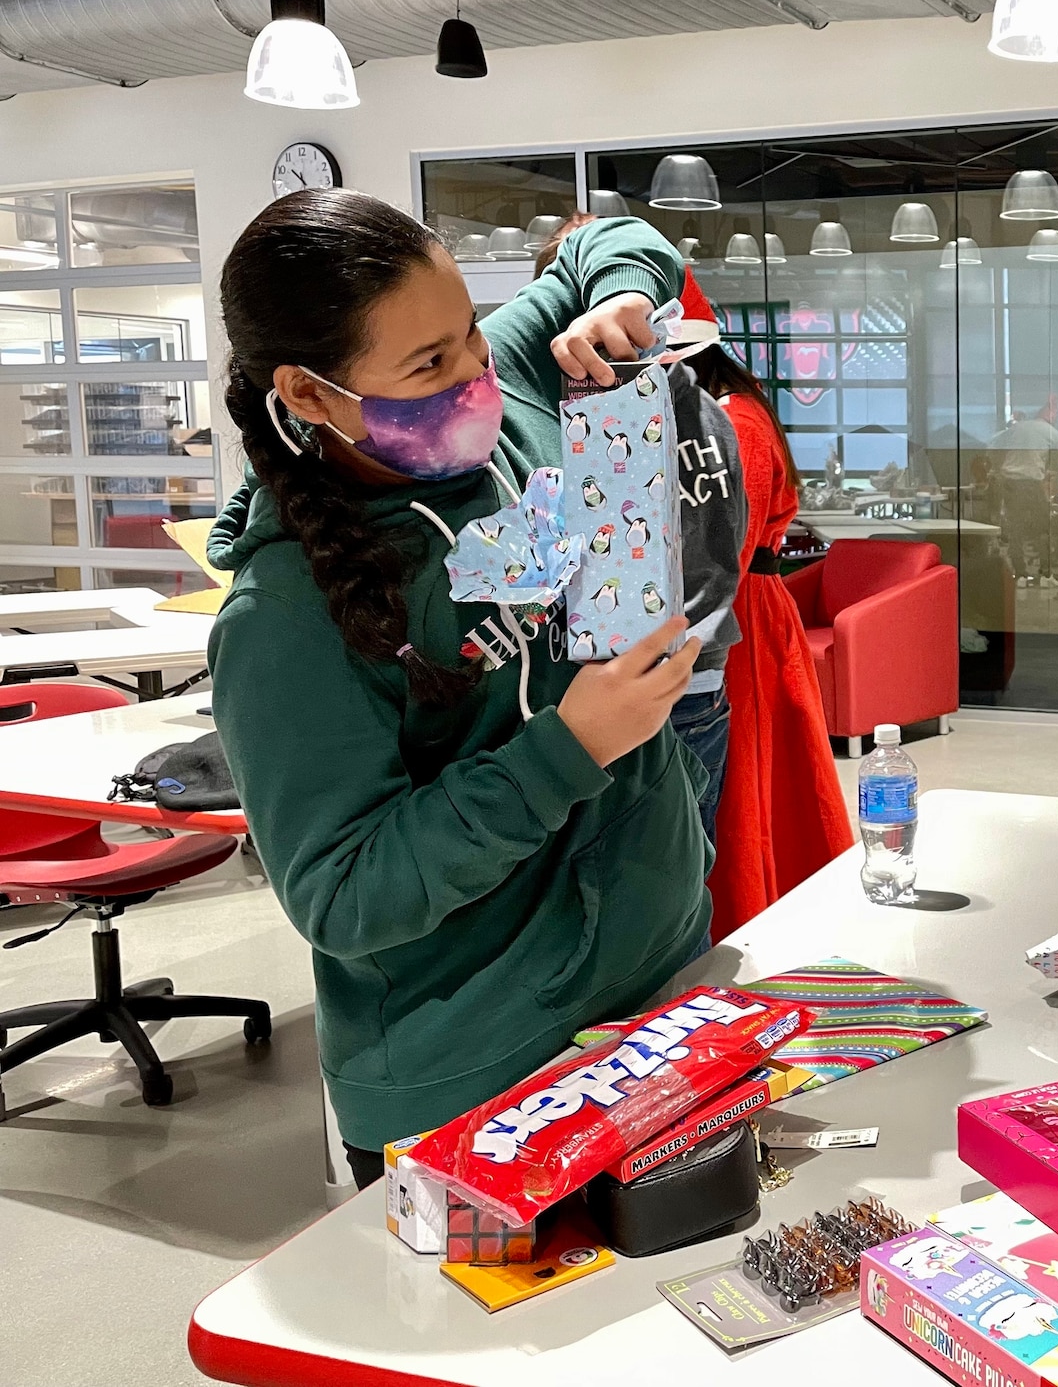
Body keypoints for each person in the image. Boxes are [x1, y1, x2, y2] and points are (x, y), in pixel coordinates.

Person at [209, 190, 713, 1188]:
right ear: (308, 394)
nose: (475, 374)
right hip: (479, 1072)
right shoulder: (282, 619)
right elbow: (343, 894)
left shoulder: (508, 383)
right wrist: (570, 750)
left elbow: (617, 238)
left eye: (471, 335)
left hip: (657, 978)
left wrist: (615, 297)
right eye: (427, 366)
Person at [534, 228, 747, 845]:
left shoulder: (590, 420)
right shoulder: (706, 407)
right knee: (689, 851)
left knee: (633, 858)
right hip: (700, 665)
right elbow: (729, 530)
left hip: (623, 679)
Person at [688, 332, 854, 940]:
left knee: (746, 780)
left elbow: (730, 535)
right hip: (742, 606)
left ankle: (746, 912)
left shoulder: (736, 419)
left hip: (741, 613)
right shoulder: (734, 410)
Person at [989, 406, 1058, 584]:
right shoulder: (1052, 433)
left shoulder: (1017, 428)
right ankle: (1046, 574)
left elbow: (994, 446)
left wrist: (998, 471)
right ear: (1049, 414)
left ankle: (1020, 574)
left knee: (1016, 530)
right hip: (1031, 483)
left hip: (1010, 483)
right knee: (1043, 528)